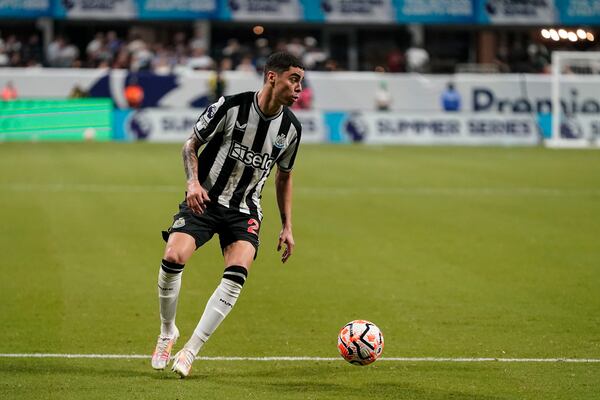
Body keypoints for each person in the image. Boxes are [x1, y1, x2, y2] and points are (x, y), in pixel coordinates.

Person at [151, 52, 304, 378]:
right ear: (272, 77)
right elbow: (190, 145)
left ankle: (190, 350)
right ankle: (167, 331)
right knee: (173, 256)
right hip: (204, 200)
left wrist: (287, 225)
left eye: (301, 81)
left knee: (236, 274)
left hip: (245, 209)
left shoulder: (291, 128)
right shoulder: (230, 106)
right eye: (294, 78)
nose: (299, 87)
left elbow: (284, 176)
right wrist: (192, 182)